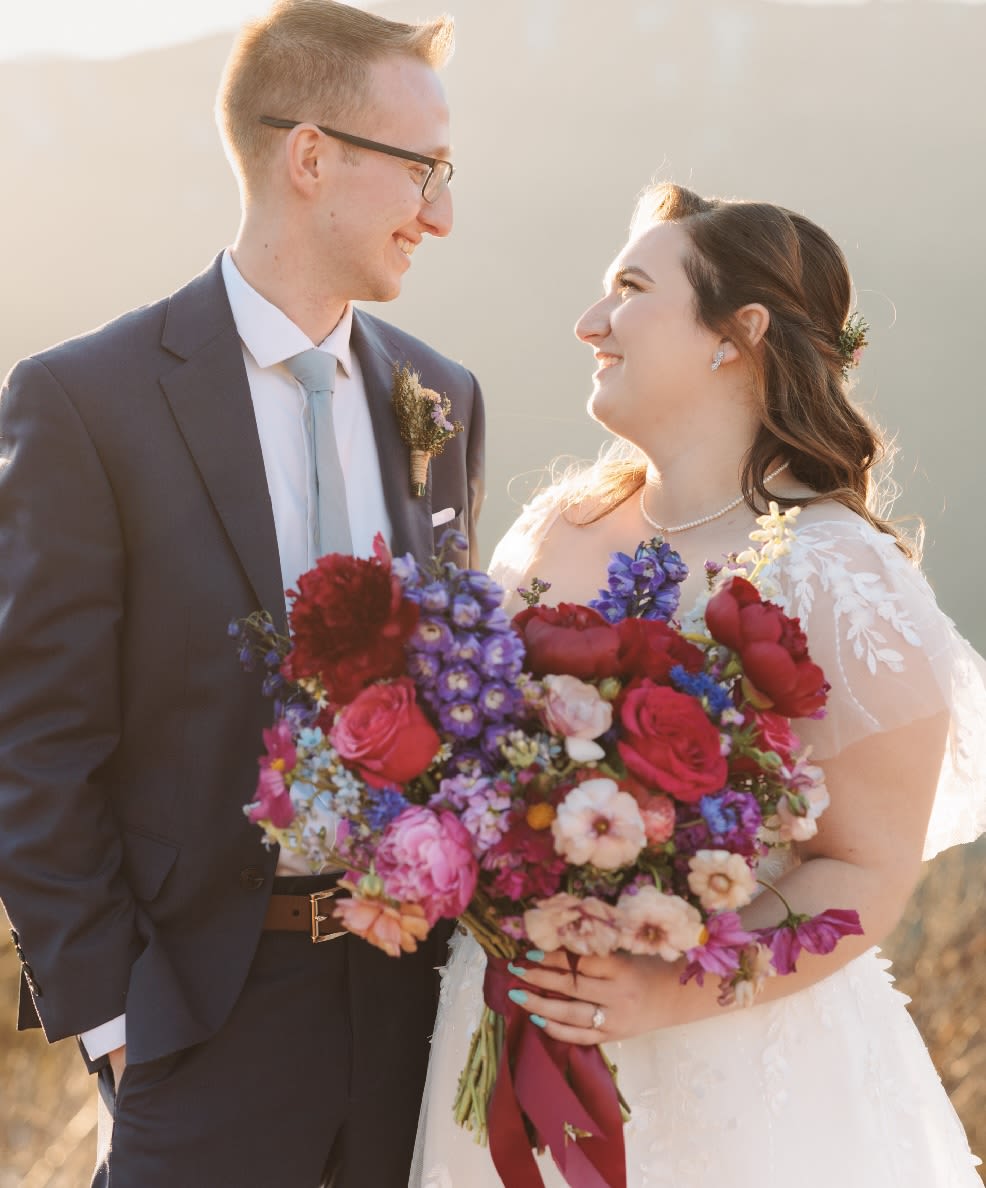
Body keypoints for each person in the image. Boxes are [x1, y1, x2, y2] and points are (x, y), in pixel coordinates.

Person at [410, 183, 985, 1186]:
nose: (589, 323)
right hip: (510, 1027)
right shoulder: (562, 529)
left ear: (734, 334)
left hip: (741, 1078)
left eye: (629, 289)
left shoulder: (840, 572)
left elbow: (864, 876)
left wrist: (664, 994)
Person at [0, 2, 484, 1185]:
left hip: (411, 1012)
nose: (443, 212)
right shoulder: (86, 402)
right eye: (423, 169)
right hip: (199, 1015)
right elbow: (34, 737)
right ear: (309, 155)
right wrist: (116, 1020)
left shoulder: (441, 398)